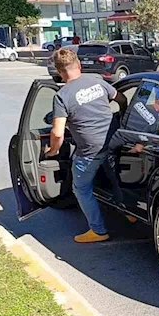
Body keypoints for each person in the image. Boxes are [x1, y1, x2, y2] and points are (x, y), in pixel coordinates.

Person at [46, 49, 128, 243]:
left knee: (81, 188)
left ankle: (98, 231)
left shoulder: (62, 96)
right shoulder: (97, 81)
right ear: (79, 65)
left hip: (90, 151)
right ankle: (127, 210)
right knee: (114, 175)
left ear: (59, 71)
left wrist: (53, 150)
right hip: (114, 140)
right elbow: (121, 98)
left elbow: (57, 132)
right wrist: (121, 116)